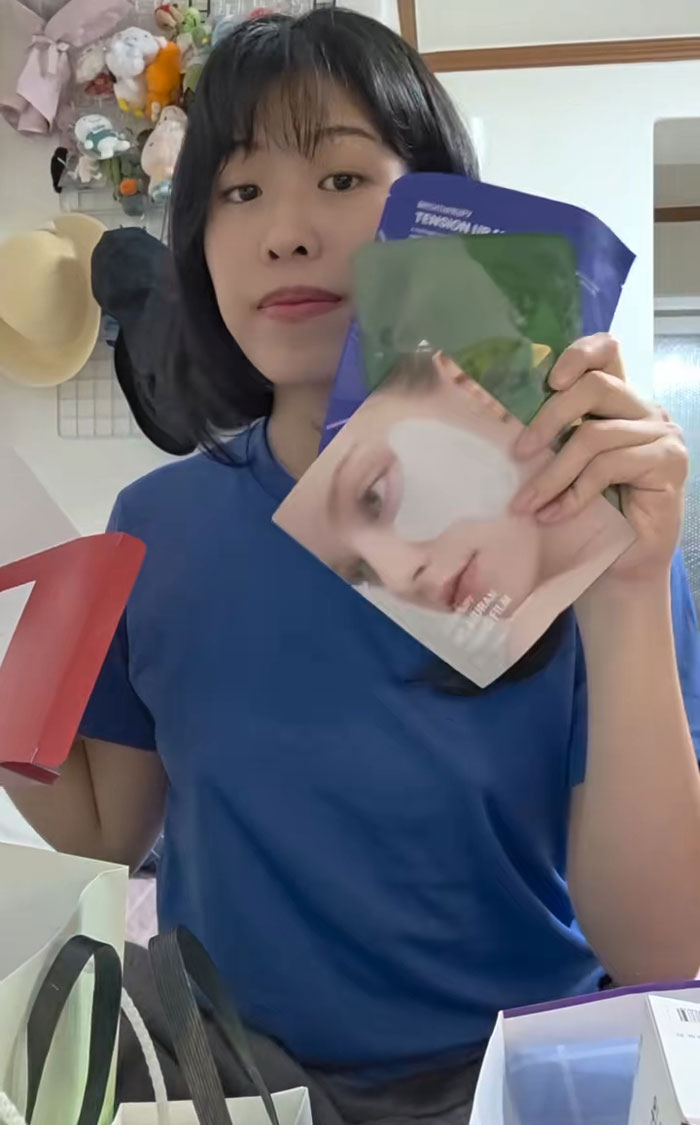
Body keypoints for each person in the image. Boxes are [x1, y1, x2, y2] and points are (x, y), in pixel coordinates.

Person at [6, 9, 700, 1124]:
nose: (286, 232)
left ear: (444, 216)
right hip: (233, 1082)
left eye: (340, 177)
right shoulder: (157, 526)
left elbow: (664, 948)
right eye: (239, 191)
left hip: (514, 1082)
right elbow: (104, 827)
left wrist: (624, 587)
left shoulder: (583, 520)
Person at [275, 347, 636, 686]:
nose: (397, 578)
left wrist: (634, 588)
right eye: (361, 573)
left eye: (374, 496)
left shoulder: (639, 519)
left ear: (468, 388)